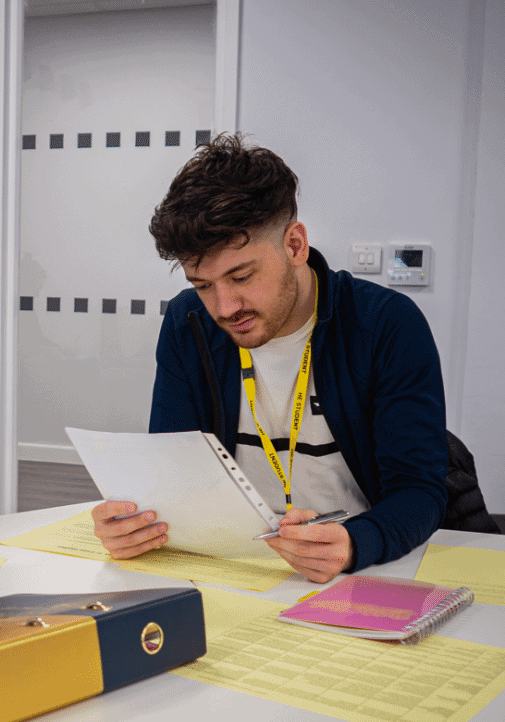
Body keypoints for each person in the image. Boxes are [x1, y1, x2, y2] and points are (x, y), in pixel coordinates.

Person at [92, 134, 447, 583]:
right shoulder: (188, 324)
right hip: (233, 565)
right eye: (203, 285)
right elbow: (174, 470)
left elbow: (420, 490)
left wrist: (357, 541)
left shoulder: (385, 325)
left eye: (241, 276)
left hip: (356, 572)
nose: (224, 308)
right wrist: (135, 525)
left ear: (295, 245)